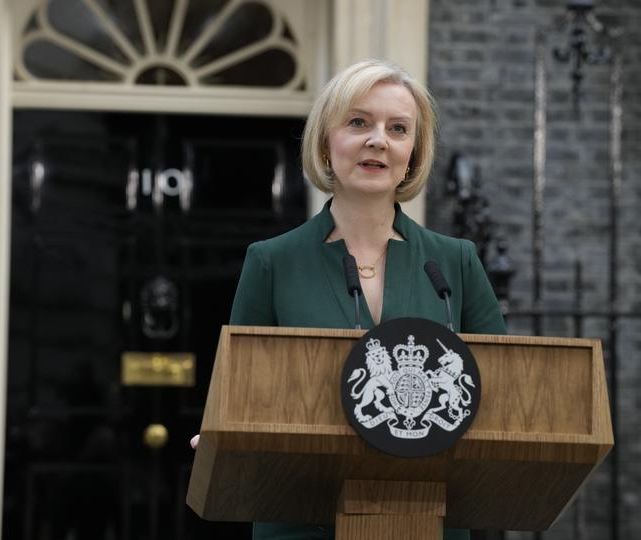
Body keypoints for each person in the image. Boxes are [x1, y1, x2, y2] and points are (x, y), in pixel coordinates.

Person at [193, 59, 507, 540]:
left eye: (398, 128)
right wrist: (224, 435)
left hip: (428, 518)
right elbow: (241, 394)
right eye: (359, 122)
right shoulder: (272, 262)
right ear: (326, 141)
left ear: (412, 154)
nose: (378, 139)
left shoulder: (455, 261)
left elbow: (503, 397)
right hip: (299, 520)